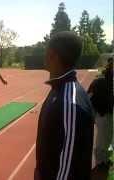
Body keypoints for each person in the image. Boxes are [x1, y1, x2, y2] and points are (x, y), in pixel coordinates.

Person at [35, 31, 94, 180]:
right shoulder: (59, 88)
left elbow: (69, 166)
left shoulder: (70, 102)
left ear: (52, 55)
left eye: (46, 51)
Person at [88, 57, 113, 180]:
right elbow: (89, 97)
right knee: (103, 140)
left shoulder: (101, 81)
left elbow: (89, 96)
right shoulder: (101, 82)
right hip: (103, 114)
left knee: (106, 139)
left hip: (104, 114)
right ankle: (100, 165)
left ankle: (104, 162)